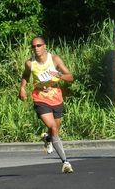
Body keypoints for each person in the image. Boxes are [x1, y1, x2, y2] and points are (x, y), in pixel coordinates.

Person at [18, 36, 74, 173]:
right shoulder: (30, 63)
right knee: (53, 127)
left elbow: (70, 77)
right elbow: (25, 75)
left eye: (38, 45)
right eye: (33, 46)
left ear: (45, 46)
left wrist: (58, 74)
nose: (36, 48)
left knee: (55, 131)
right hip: (40, 98)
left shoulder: (54, 59)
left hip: (56, 97)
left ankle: (48, 138)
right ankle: (65, 162)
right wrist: (22, 88)